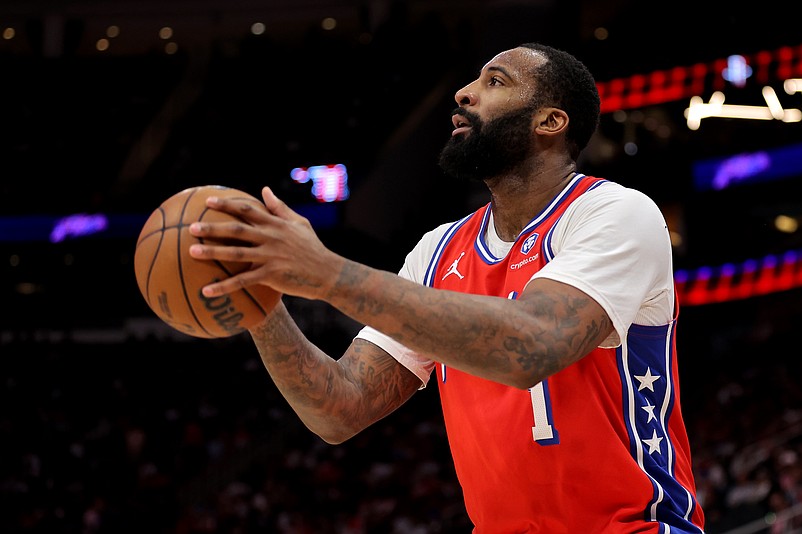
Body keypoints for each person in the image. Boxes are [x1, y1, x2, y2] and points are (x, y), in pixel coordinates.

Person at [187, 42, 706, 533]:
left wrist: (325, 273)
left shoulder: (616, 212)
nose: (463, 92)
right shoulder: (437, 251)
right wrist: (258, 298)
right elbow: (338, 408)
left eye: (495, 81)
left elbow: (530, 347)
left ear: (550, 121)